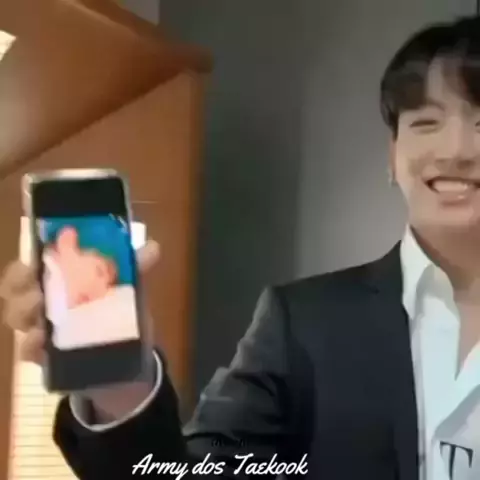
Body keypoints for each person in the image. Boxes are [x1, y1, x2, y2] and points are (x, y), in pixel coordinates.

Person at [2, 14, 480, 480]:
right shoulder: (304, 325)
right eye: (426, 122)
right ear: (392, 157)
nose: (456, 150)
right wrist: (121, 392)